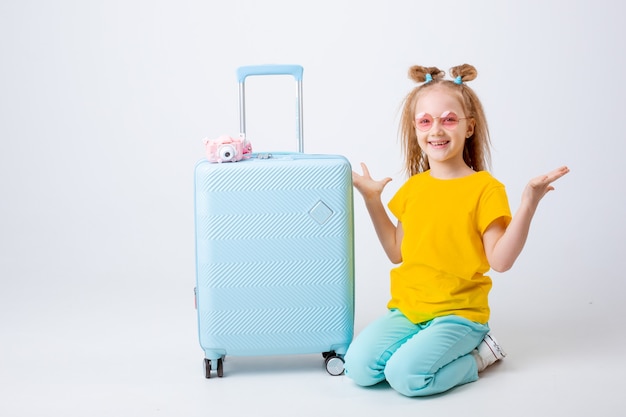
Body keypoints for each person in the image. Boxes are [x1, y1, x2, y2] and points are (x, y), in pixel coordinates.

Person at [343, 64, 569, 397]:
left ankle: (479, 357)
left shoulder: (485, 188)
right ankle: (420, 348)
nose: (436, 129)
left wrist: (528, 204)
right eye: (425, 121)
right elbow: (397, 252)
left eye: (449, 119)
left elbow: (501, 261)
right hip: (408, 310)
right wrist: (372, 200)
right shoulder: (413, 188)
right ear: (416, 130)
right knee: (358, 368)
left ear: (469, 128)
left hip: (459, 315)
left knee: (405, 378)